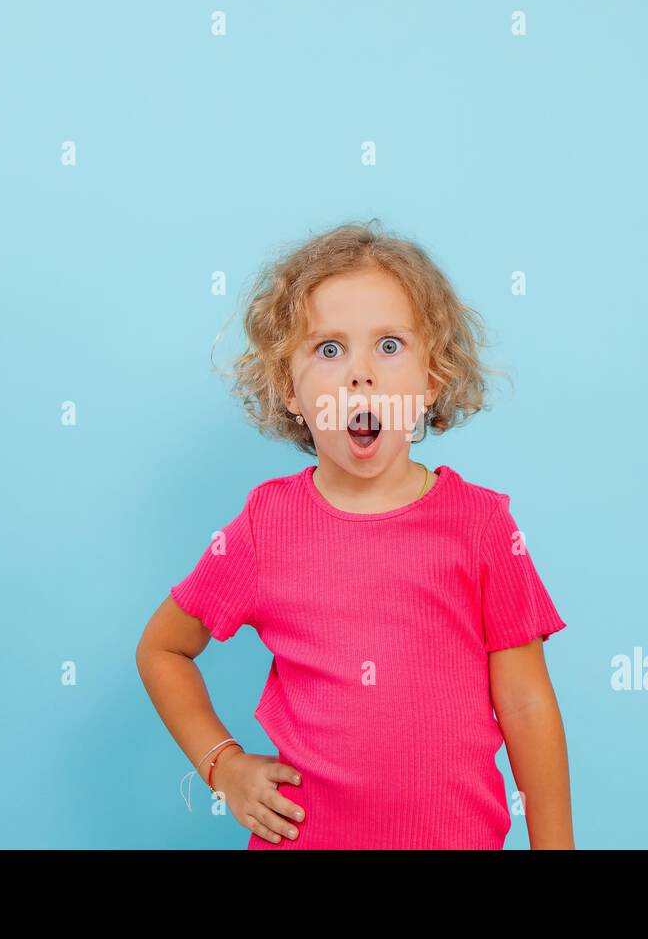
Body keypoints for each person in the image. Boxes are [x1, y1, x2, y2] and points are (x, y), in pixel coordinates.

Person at [135, 220, 573, 849]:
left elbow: (527, 705)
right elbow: (163, 650)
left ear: (432, 379)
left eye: (389, 345)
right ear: (289, 387)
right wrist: (223, 766)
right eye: (330, 350)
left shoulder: (481, 525)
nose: (360, 375)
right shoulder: (264, 527)